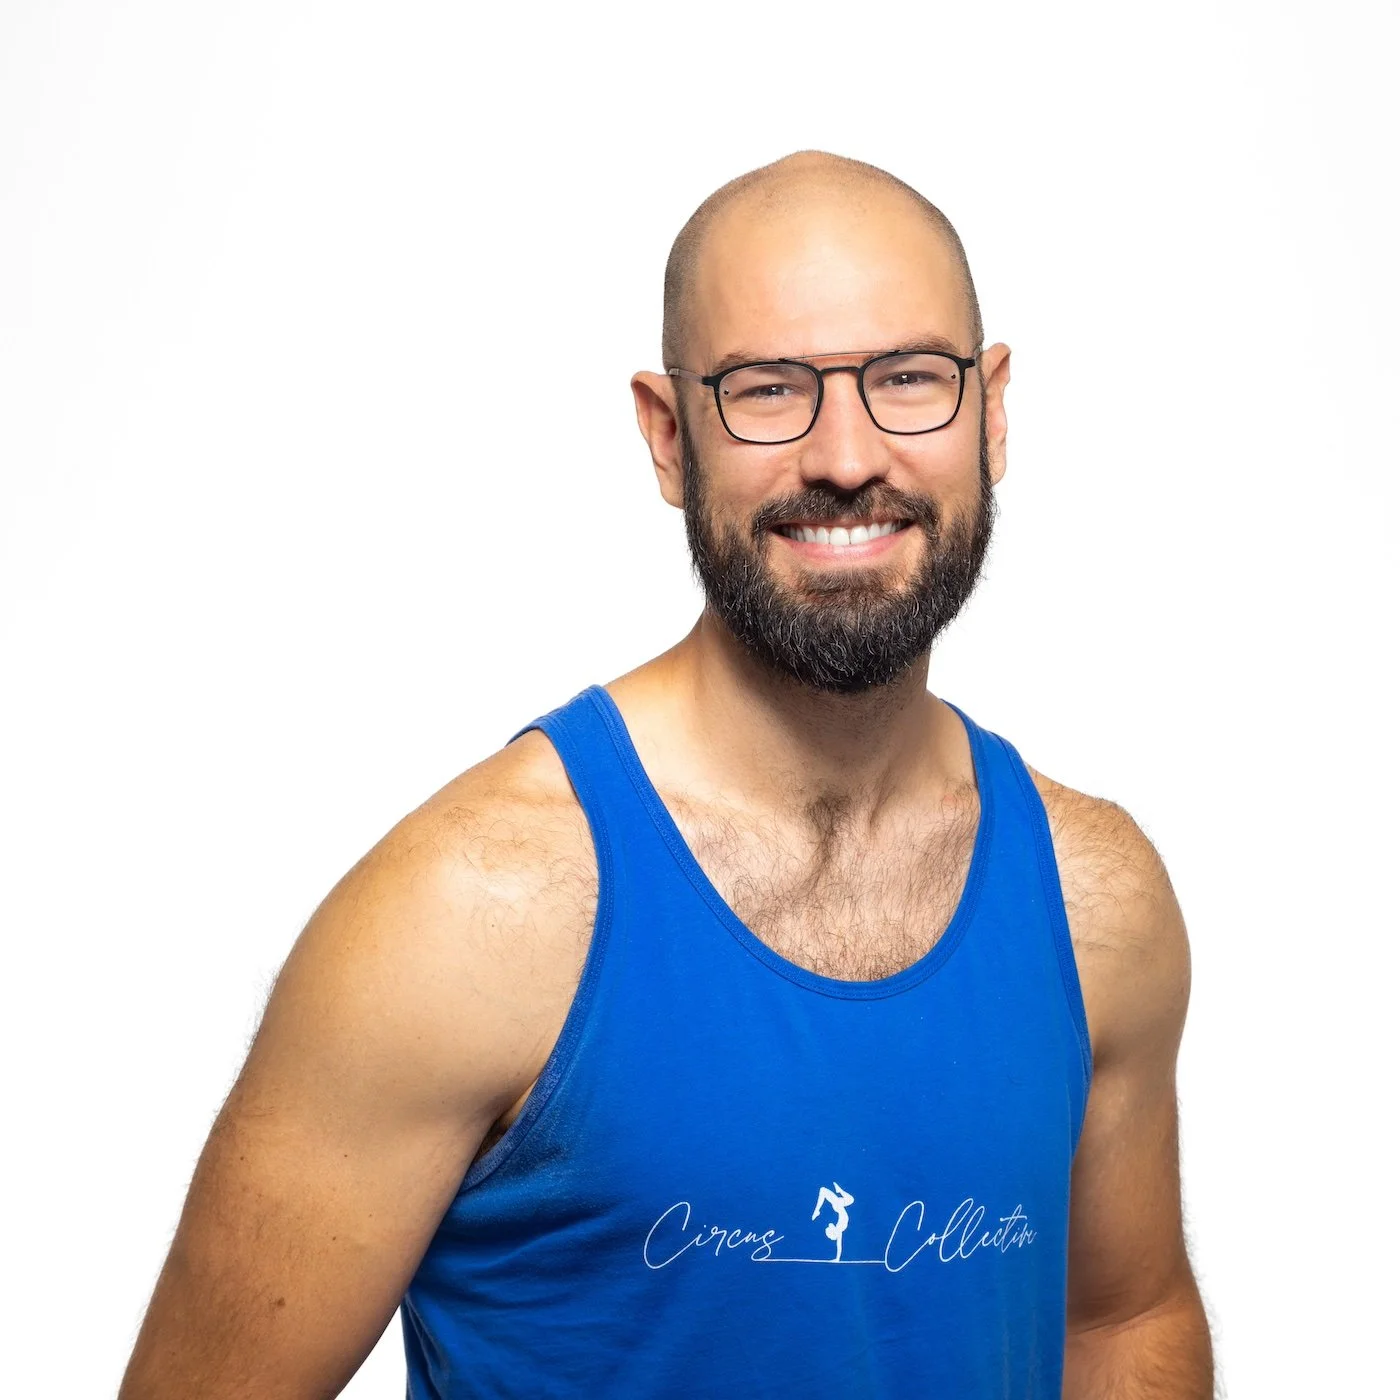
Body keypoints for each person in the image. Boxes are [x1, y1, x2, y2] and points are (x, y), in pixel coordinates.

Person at [119, 150, 1214, 1398]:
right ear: (666, 434)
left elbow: (1124, 1318)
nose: (847, 454)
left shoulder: (1094, 900)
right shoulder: (468, 914)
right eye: (766, 390)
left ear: (991, 409)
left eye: (908, 379)